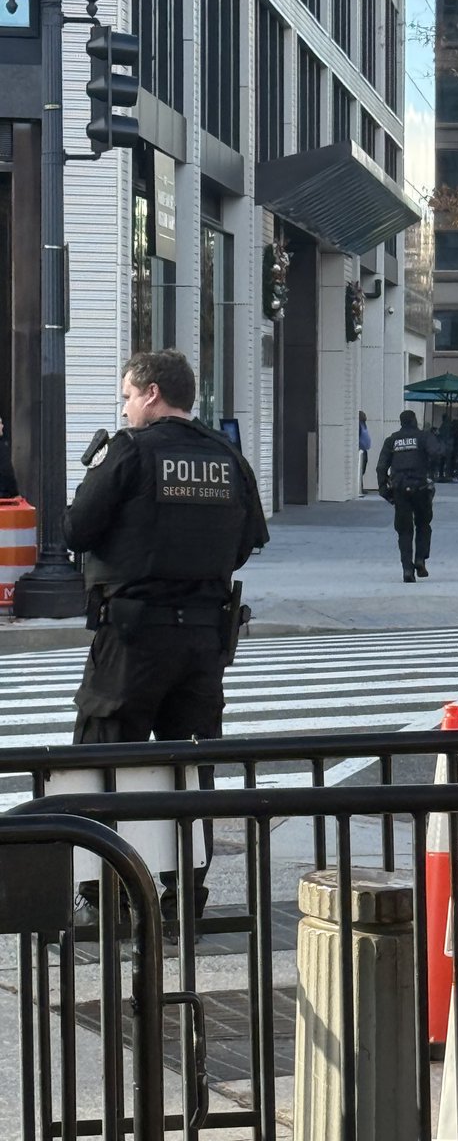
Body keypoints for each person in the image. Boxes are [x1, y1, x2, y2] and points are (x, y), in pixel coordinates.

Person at [63, 349, 270, 928]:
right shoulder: (227, 456)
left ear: (152, 392)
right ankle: (184, 900)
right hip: (202, 639)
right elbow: (246, 542)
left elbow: (77, 528)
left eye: (128, 396)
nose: (125, 408)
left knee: (104, 758)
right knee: (191, 765)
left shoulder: (129, 452)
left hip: (132, 636)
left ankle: (104, 897)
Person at [376, 409, 440, 582]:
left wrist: (383, 489)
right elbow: (436, 453)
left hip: (400, 488)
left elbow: (381, 466)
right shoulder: (424, 437)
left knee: (404, 530)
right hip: (421, 487)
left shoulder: (392, 440)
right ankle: (420, 559)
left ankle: (407, 569)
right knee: (423, 524)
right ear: (414, 421)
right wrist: (429, 467)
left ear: (401, 422)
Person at [0, 416, 18, 498]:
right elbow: (6, 471)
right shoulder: (1, 447)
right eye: (0, 423)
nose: (2, 426)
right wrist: (15, 493)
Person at [358, 410, 371, 489]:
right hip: (360, 450)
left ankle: (361, 486)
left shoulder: (363, 425)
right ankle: (360, 487)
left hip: (364, 450)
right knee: (360, 469)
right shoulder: (359, 425)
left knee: (362, 469)